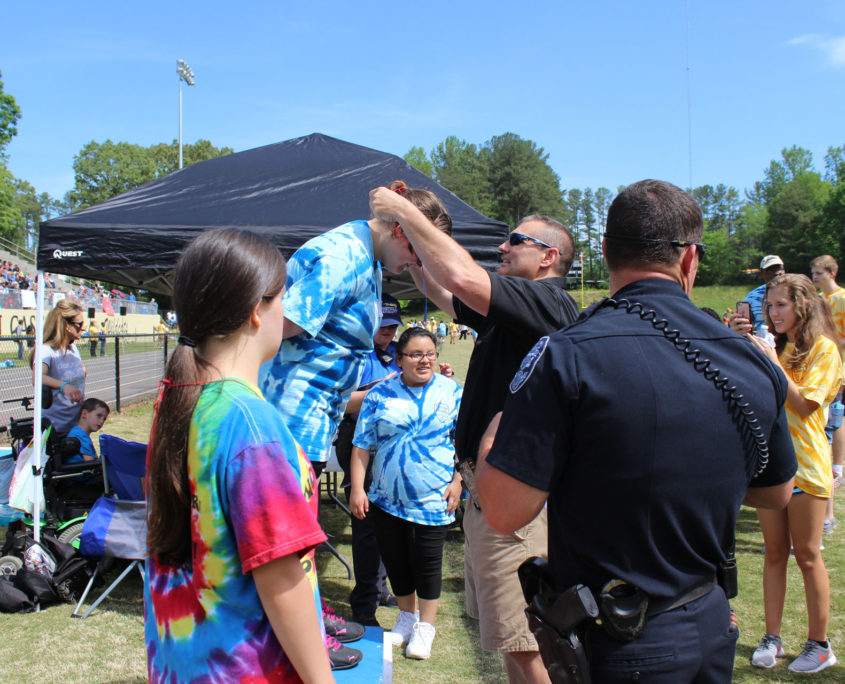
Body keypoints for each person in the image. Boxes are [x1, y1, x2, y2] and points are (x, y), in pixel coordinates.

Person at [476, 180, 798, 682]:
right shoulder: (749, 360)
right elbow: (776, 493)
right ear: (690, 259)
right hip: (709, 624)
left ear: (605, 251)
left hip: (616, 642)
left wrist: (493, 436)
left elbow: (503, 510)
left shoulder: (565, 354)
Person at [370, 187, 578, 684]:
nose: (502, 248)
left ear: (549, 257)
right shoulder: (516, 313)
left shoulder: (549, 302)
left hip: (516, 504)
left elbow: (464, 275)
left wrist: (403, 212)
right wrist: (416, 252)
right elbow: (450, 292)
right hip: (490, 496)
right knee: (508, 637)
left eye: (515, 241)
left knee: (526, 640)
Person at [144, 228, 335, 683]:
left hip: (184, 664)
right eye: (282, 298)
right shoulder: (248, 421)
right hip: (246, 669)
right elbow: (279, 578)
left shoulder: (178, 400)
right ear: (256, 310)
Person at [745, 273, 843, 674]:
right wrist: (745, 346)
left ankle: (819, 645)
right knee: (772, 554)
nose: (772, 311)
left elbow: (804, 406)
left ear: (803, 306)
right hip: (771, 467)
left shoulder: (824, 350)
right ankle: (772, 637)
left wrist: (770, 360)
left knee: (806, 555)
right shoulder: (775, 347)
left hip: (807, 469)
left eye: (781, 304)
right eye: (769, 304)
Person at [349, 327, 462, 660]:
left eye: (429, 353)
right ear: (399, 360)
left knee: (427, 563)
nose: (424, 360)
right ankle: (406, 617)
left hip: (433, 497)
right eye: (415, 354)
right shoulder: (380, 394)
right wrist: (358, 488)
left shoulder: (452, 392)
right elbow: (361, 445)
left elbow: (466, 442)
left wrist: (458, 481)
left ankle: (425, 628)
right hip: (386, 497)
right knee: (396, 562)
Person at [335, 294, 403, 627]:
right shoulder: (354, 355)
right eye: (382, 324)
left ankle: (380, 587)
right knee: (368, 526)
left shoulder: (395, 355)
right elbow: (341, 402)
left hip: (392, 445)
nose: (388, 331)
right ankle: (364, 603)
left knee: (390, 521)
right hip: (359, 442)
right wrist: (382, 390)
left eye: (393, 325)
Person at [810, 254, 845, 533]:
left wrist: (828, 340)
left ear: (832, 272)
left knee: (831, 425)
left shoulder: (841, 298)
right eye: (813, 273)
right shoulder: (819, 299)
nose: (815, 277)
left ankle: (837, 468)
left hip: (836, 369)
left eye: (819, 273)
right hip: (822, 368)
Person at [33, 299, 86, 435]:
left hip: (76, 427)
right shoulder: (46, 350)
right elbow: (38, 377)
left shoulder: (74, 349)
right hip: (54, 430)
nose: (83, 328)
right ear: (66, 325)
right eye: (79, 324)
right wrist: (64, 385)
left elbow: (81, 371)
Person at [734, 254, 786, 333]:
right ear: (762, 274)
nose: (776, 273)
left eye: (779, 269)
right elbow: (744, 327)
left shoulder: (793, 293)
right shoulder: (752, 297)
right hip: (761, 342)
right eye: (769, 271)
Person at [66, 398, 110, 464]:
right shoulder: (81, 436)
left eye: (104, 419)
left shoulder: (75, 432)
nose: (101, 421)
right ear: (84, 414)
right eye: (99, 416)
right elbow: (90, 464)